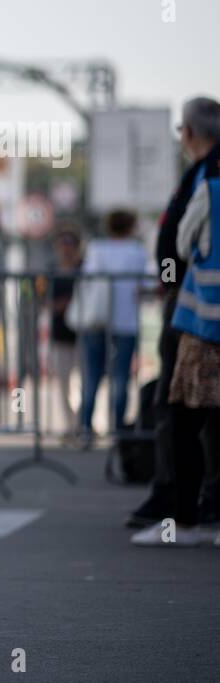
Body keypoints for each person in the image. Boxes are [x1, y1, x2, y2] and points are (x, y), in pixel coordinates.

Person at [127, 96, 220, 530]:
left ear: (189, 133)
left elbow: (182, 242)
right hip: (192, 303)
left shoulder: (209, 175)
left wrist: (172, 281)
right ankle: (187, 496)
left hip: (197, 311)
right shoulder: (202, 171)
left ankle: (181, 499)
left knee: (182, 404)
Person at [76, 209, 150, 444]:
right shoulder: (137, 251)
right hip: (126, 322)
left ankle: (85, 428)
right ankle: (118, 431)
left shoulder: (96, 248)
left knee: (91, 376)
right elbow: (153, 279)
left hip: (96, 320)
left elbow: (87, 278)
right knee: (120, 378)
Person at [49, 228, 82, 438]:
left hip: (82, 333)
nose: (66, 249)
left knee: (82, 382)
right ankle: (70, 425)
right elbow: (40, 296)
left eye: (70, 244)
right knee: (63, 383)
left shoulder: (84, 268)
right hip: (60, 334)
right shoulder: (52, 271)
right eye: (62, 244)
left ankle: (83, 423)